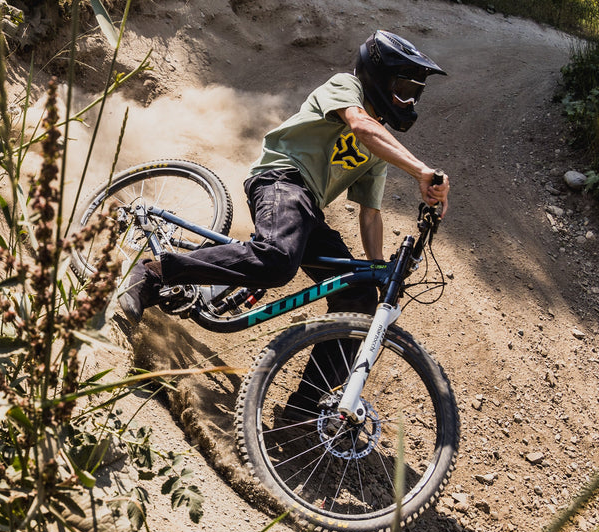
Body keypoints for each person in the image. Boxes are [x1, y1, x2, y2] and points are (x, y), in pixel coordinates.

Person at [112, 29, 451, 331]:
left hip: (307, 209)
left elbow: (371, 213)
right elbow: (360, 126)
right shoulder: (346, 87)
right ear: (379, 77)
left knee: (359, 297)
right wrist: (421, 171)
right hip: (281, 179)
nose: (409, 101)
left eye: (415, 94)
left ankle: (310, 403)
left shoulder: (380, 144)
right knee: (277, 258)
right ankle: (154, 273)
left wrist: (377, 271)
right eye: (404, 89)